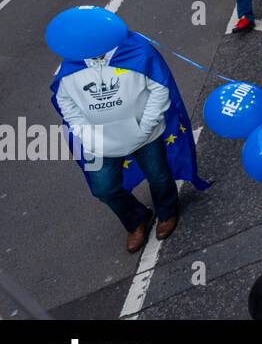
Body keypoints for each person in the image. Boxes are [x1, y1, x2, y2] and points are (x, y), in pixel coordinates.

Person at [53, 24, 182, 252]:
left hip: (145, 135)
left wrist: (144, 126)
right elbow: (66, 104)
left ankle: (167, 212)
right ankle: (136, 219)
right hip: (99, 142)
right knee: (104, 189)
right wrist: (85, 133)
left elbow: (160, 89)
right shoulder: (67, 70)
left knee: (159, 176)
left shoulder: (137, 53)